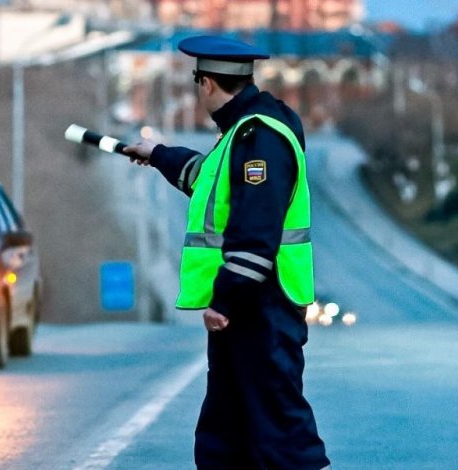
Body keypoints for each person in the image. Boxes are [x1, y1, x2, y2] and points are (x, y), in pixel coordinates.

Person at [123, 35, 331, 470]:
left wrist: (226, 299)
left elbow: (256, 231)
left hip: (261, 308)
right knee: (226, 435)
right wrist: (158, 155)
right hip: (250, 313)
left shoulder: (260, 137)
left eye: (197, 81)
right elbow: (208, 181)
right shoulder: (243, 133)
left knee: (278, 433)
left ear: (207, 84)